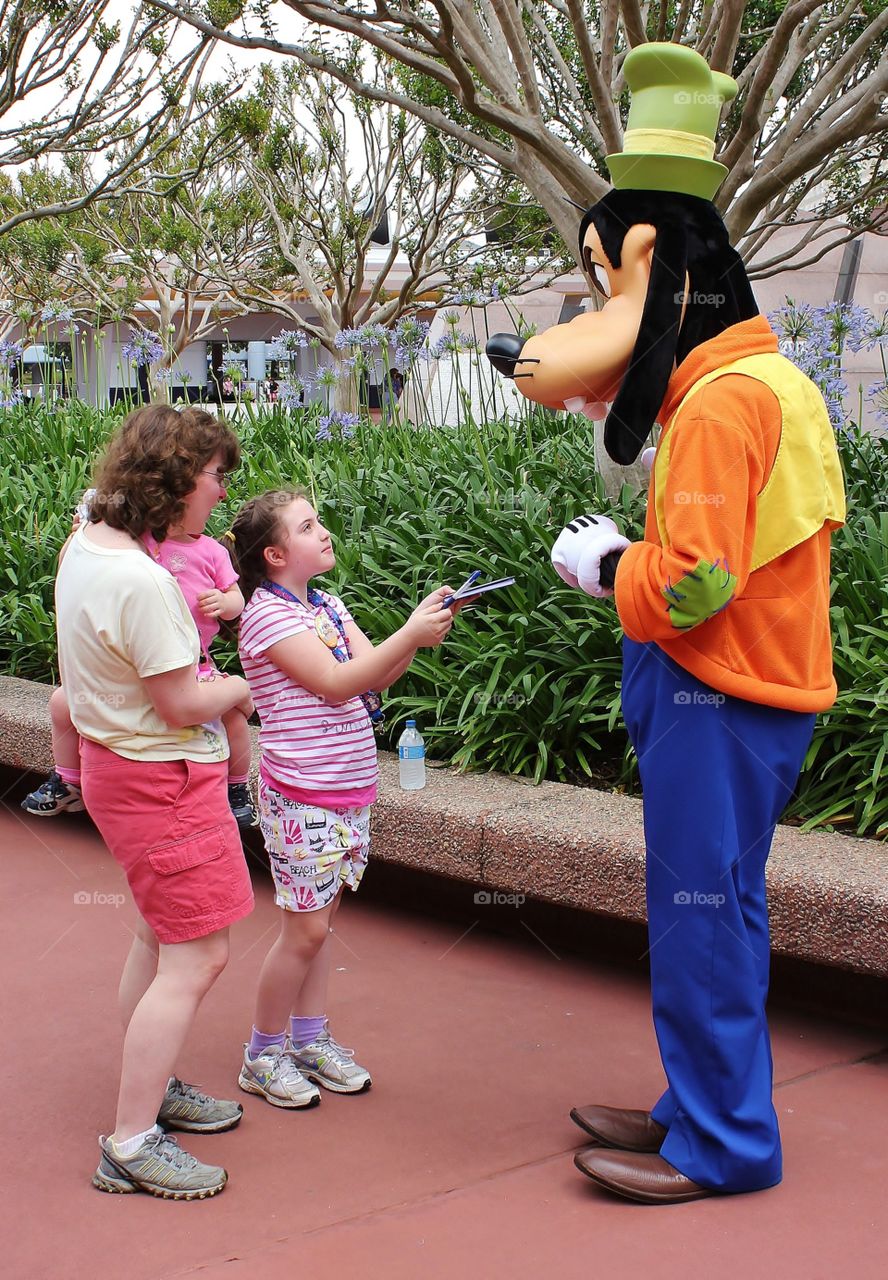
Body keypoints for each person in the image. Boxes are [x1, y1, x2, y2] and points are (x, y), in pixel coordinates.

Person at [486, 43, 844, 1205]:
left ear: (663, 276)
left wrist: (604, 563)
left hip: (719, 692)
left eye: (608, 282)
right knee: (717, 910)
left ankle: (723, 1144)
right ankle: (700, 1101)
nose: (601, 314)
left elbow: (693, 584)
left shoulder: (719, 406)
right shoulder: (767, 380)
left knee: (698, 916)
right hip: (749, 696)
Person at [56, 403, 256, 1199]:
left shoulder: (88, 546)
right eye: (213, 478)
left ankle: (155, 1083)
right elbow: (181, 703)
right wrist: (238, 687)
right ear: (175, 482)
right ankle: (132, 1141)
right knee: (200, 954)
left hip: (118, 770)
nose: (219, 494)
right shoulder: (142, 582)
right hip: (161, 779)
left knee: (157, 932)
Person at [229, 489, 456, 1107]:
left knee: (318, 927)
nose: (323, 531)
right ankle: (263, 1052)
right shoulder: (267, 616)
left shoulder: (326, 603)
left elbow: (376, 675)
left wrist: (416, 632)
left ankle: (308, 1038)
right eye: (308, 526)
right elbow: (334, 684)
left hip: (346, 788)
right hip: (301, 792)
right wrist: (410, 630)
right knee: (303, 932)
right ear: (275, 554)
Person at [23, 474, 257, 827]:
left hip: (194, 665)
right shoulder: (142, 544)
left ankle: (237, 789)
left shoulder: (211, 551)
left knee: (234, 718)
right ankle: (67, 780)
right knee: (61, 703)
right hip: (137, 666)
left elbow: (238, 600)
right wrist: (80, 530)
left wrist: (224, 601)